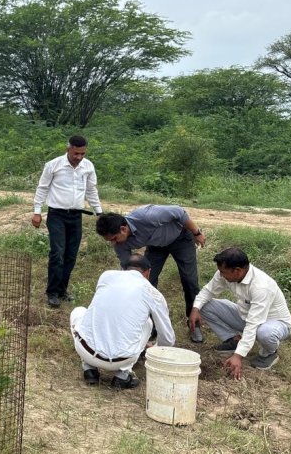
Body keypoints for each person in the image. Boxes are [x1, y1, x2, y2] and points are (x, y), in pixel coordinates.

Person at [96, 205, 206, 342]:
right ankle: (151, 326)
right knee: (146, 284)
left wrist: (197, 232)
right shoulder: (120, 244)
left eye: (114, 238)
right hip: (156, 246)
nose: (113, 243)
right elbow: (129, 272)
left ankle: (194, 326)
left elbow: (180, 213)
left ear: (123, 229)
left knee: (190, 281)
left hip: (180, 238)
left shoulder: (147, 216)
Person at [69, 254, 175, 389]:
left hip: (86, 351)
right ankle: (123, 375)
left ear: (122, 269)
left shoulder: (106, 276)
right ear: (148, 273)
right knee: (147, 323)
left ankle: (89, 368)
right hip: (122, 360)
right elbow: (168, 339)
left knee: (78, 311)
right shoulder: (153, 293)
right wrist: (152, 350)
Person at [189, 247, 291, 379]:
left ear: (238, 270)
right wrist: (195, 309)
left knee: (265, 333)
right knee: (205, 305)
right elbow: (208, 291)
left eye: (224, 272)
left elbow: (253, 323)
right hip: (245, 315)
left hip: (274, 323)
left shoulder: (261, 287)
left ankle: (270, 352)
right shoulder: (226, 273)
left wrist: (238, 356)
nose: (221, 275)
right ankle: (233, 340)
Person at [32, 135, 102, 308]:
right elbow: (42, 188)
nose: (79, 157)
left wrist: (99, 212)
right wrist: (37, 212)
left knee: (71, 255)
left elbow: (92, 190)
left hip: (76, 216)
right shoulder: (53, 165)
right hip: (57, 215)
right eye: (76, 153)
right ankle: (52, 292)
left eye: (82, 154)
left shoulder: (88, 166)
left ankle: (62, 290)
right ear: (68, 149)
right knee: (57, 253)